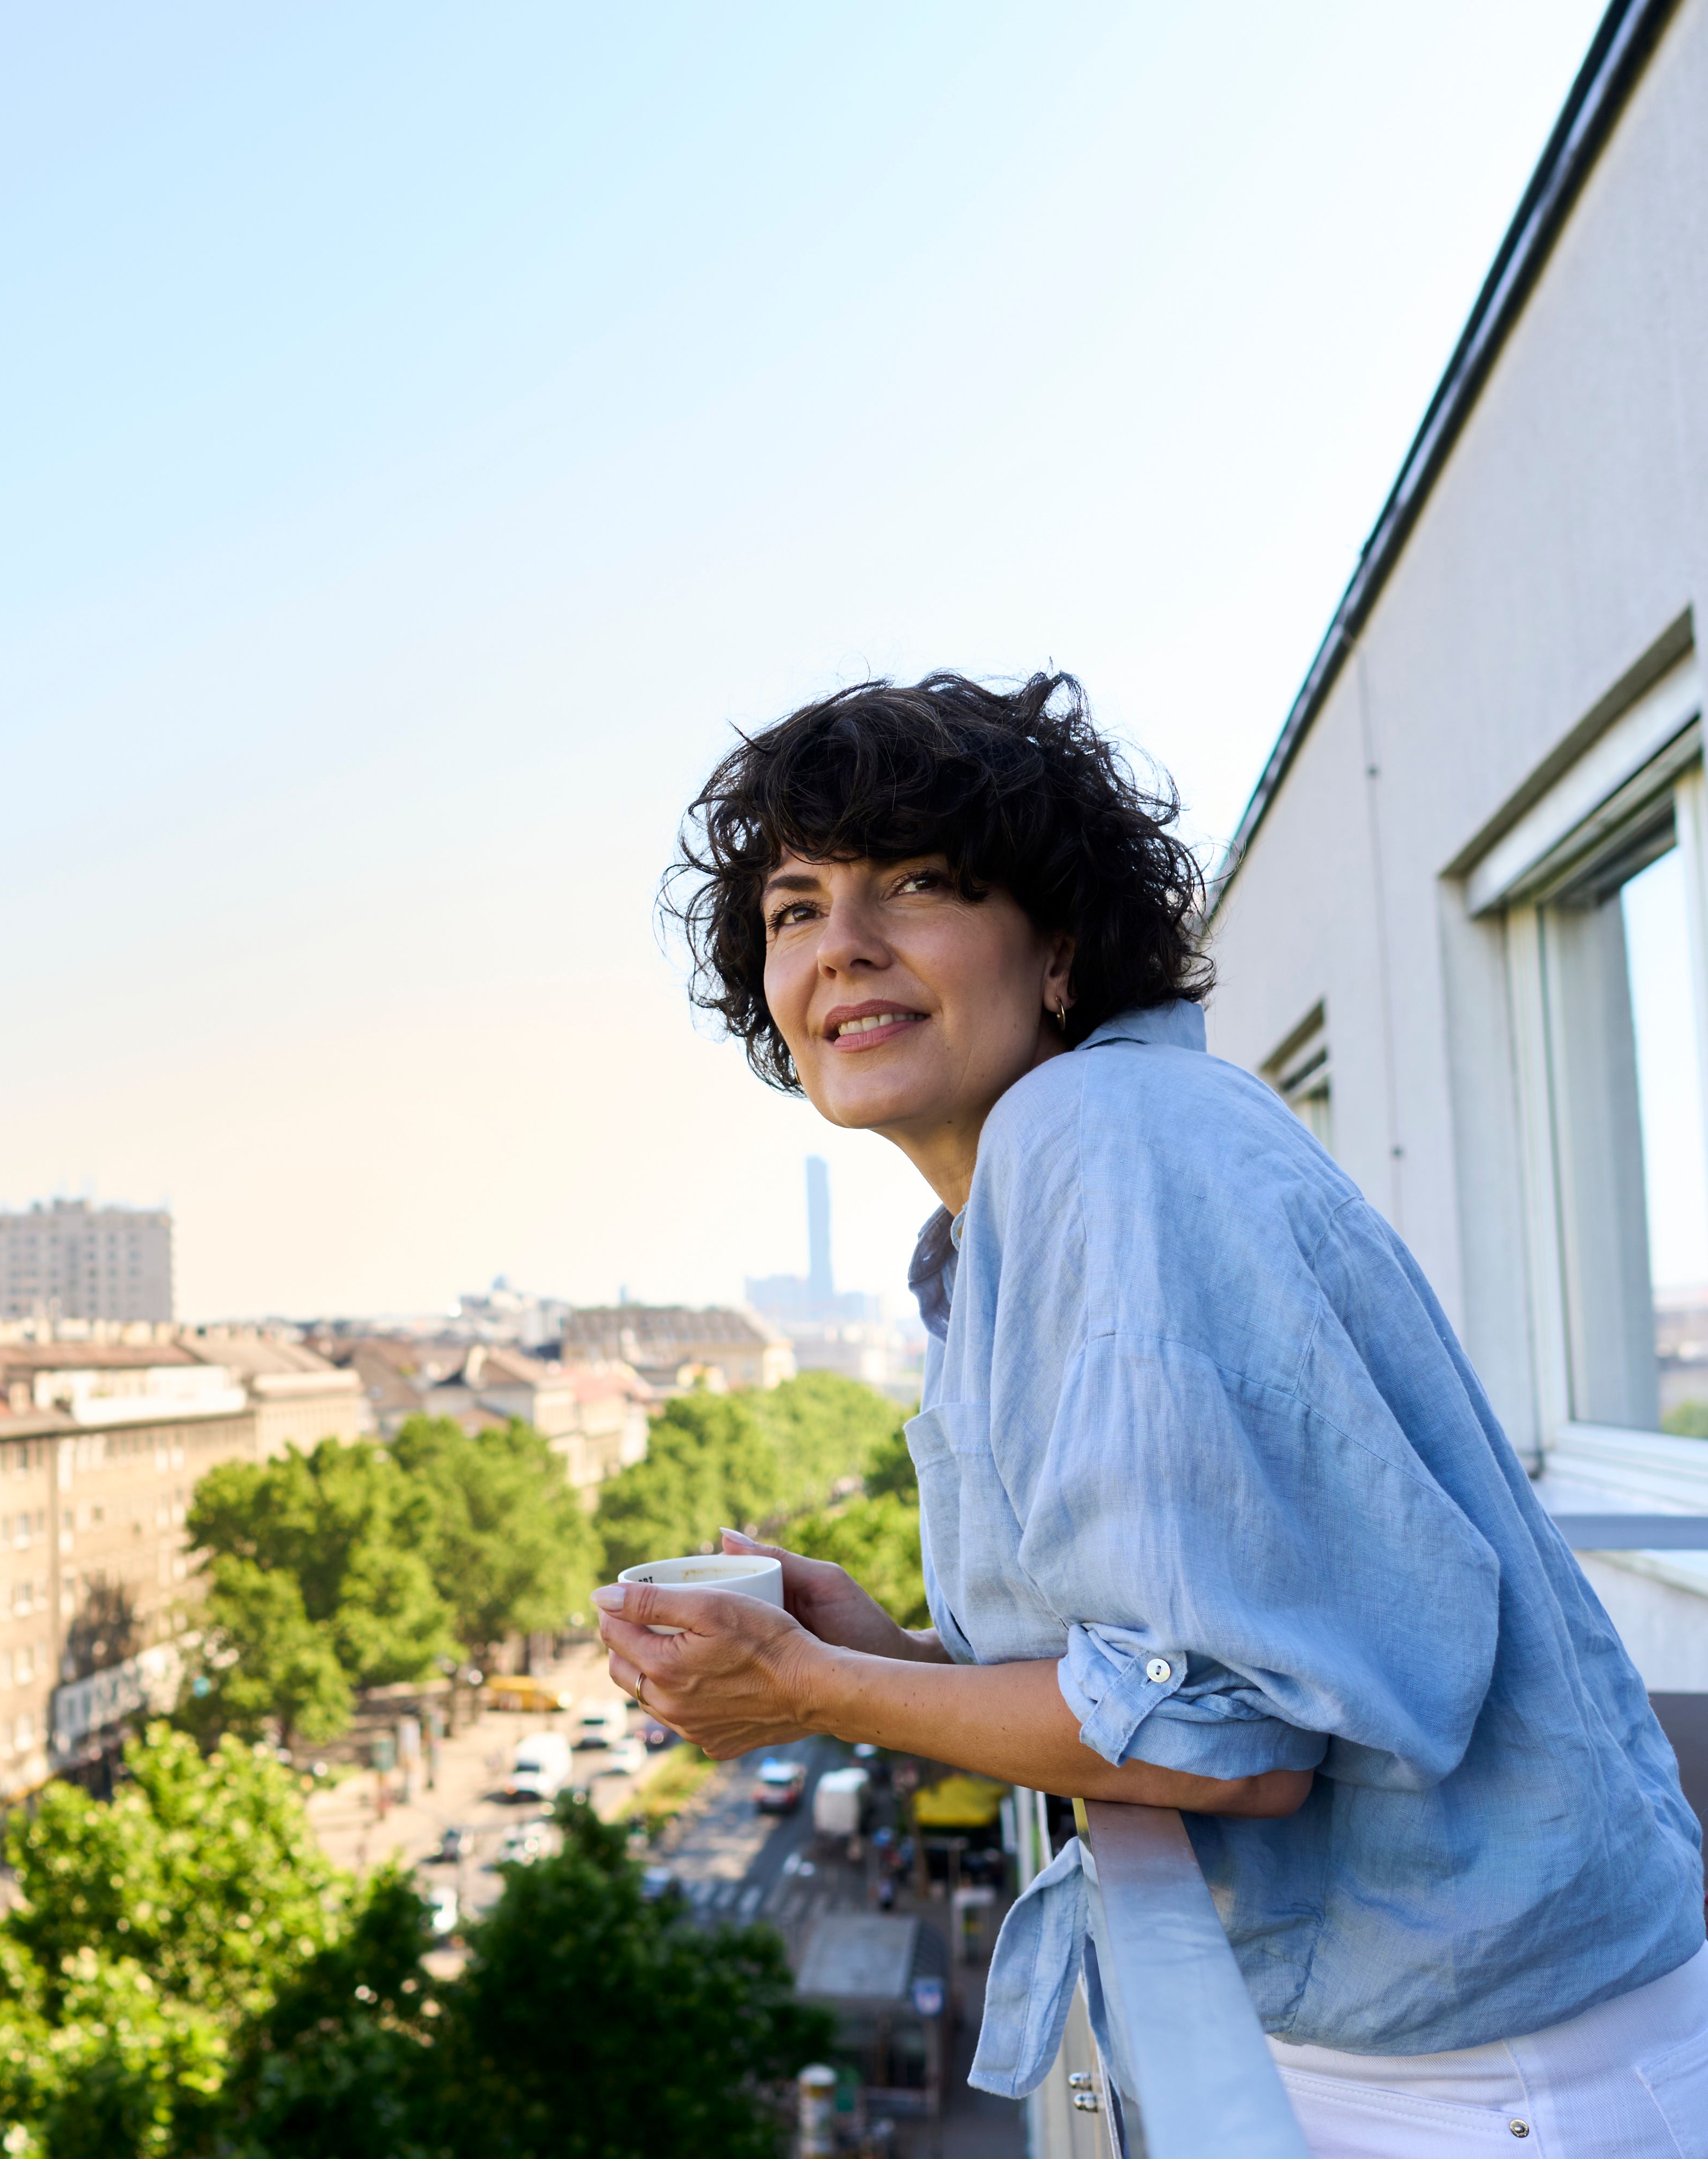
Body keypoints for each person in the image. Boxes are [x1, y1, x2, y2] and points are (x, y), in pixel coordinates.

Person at [597, 673, 1707, 2151]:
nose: (841, 946)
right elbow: (1181, 1654)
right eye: (793, 907)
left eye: (914, 883)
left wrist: (813, 1690)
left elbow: (1233, 1740)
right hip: (1447, 2049)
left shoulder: (1098, 1137)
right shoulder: (1022, 1202)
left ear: (1057, 946)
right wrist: (892, 1654)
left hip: (1489, 2082)